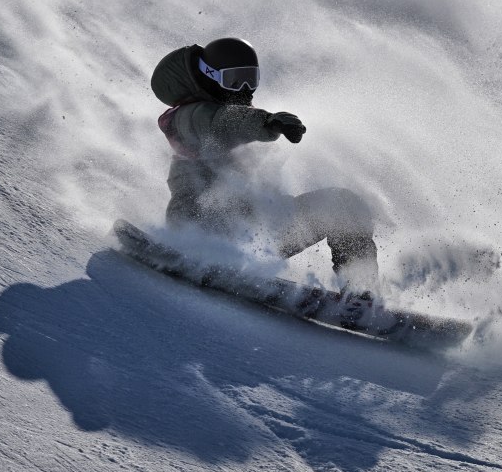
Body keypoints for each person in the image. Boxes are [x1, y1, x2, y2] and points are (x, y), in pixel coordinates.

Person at [150, 38, 379, 307]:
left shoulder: (249, 123)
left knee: (343, 206)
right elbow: (222, 122)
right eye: (234, 80)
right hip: (205, 230)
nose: (244, 89)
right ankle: (205, 256)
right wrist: (267, 123)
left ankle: (361, 295)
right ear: (209, 77)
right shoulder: (188, 117)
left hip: (259, 235)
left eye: (251, 79)